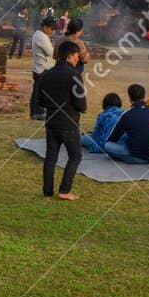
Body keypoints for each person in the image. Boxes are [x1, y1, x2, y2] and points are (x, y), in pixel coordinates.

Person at [35, 39, 87, 200]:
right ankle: (65, 190)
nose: (78, 59)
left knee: (50, 158)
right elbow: (80, 103)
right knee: (75, 156)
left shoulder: (46, 74)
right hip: (69, 122)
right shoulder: (74, 75)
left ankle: (47, 192)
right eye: (77, 55)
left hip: (51, 121)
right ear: (70, 55)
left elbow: (40, 100)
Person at [103, 84, 149, 164]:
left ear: (130, 97)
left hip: (136, 157)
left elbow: (113, 138)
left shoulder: (128, 114)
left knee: (107, 145)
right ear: (143, 96)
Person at [29, 15, 57, 121]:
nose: (52, 31)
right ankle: (37, 113)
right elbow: (50, 52)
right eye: (51, 29)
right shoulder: (40, 36)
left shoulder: (42, 36)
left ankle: (38, 112)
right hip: (41, 68)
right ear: (45, 27)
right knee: (39, 92)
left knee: (39, 91)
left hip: (41, 67)